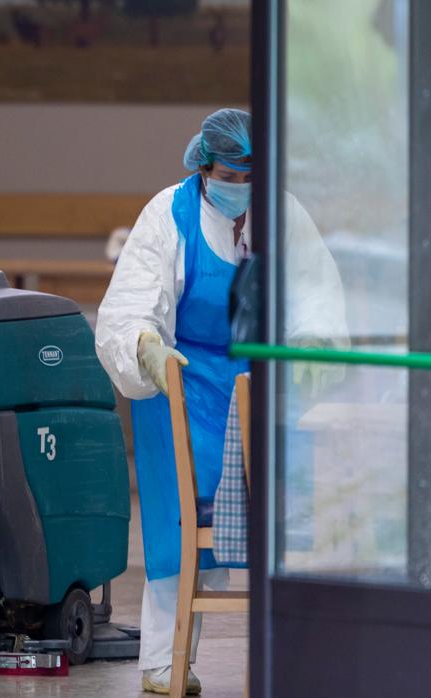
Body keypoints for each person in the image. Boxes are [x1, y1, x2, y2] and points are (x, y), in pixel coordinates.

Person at [95, 108, 347, 694]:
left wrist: (312, 345)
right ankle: (165, 662)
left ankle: (297, 657)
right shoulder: (167, 214)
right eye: (228, 178)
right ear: (203, 167)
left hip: (261, 386)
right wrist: (147, 349)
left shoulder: (282, 212)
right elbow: (131, 304)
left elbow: (314, 287)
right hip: (180, 382)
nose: (239, 190)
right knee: (178, 523)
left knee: (283, 518)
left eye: (248, 178)